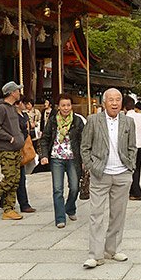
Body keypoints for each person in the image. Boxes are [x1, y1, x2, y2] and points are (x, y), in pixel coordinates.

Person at [80, 88, 137, 269]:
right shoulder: (93, 120)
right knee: (96, 215)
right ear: (104, 102)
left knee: (118, 215)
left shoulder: (128, 122)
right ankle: (95, 255)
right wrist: (91, 166)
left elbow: (132, 147)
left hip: (122, 173)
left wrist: (130, 167)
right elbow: (85, 147)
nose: (114, 103)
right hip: (100, 174)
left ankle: (112, 249)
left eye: (118, 99)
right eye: (111, 99)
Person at [39, 93, 85, 228]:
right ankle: (60, 218)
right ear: (58, 107)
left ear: (72, 106)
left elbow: (83, 140)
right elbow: (45, 138)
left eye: (68, 105)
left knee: (75, 187)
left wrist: (84, 159)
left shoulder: (77, 121)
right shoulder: (53, 120)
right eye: (63, 105)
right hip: (56, 158)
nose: (66, 108)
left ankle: (70, 207)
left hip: (73, 158)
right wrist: (44, 155)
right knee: (58, 189)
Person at [0, 82, 25, 221]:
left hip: (16, 149)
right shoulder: (2, 109)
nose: (19, 92)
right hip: (6, 150)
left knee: (15, 181)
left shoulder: (12, 108)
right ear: (11, 93)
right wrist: (9, 138)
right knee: (9, 179)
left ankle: (8, 209)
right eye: (17, 90)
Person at [125, 99, 141, 201]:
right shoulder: (140, 116)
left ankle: (136, 191)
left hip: (133, 145)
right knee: (137, 168)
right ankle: (134, 190)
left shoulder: (126, 118)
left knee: (131, 169)